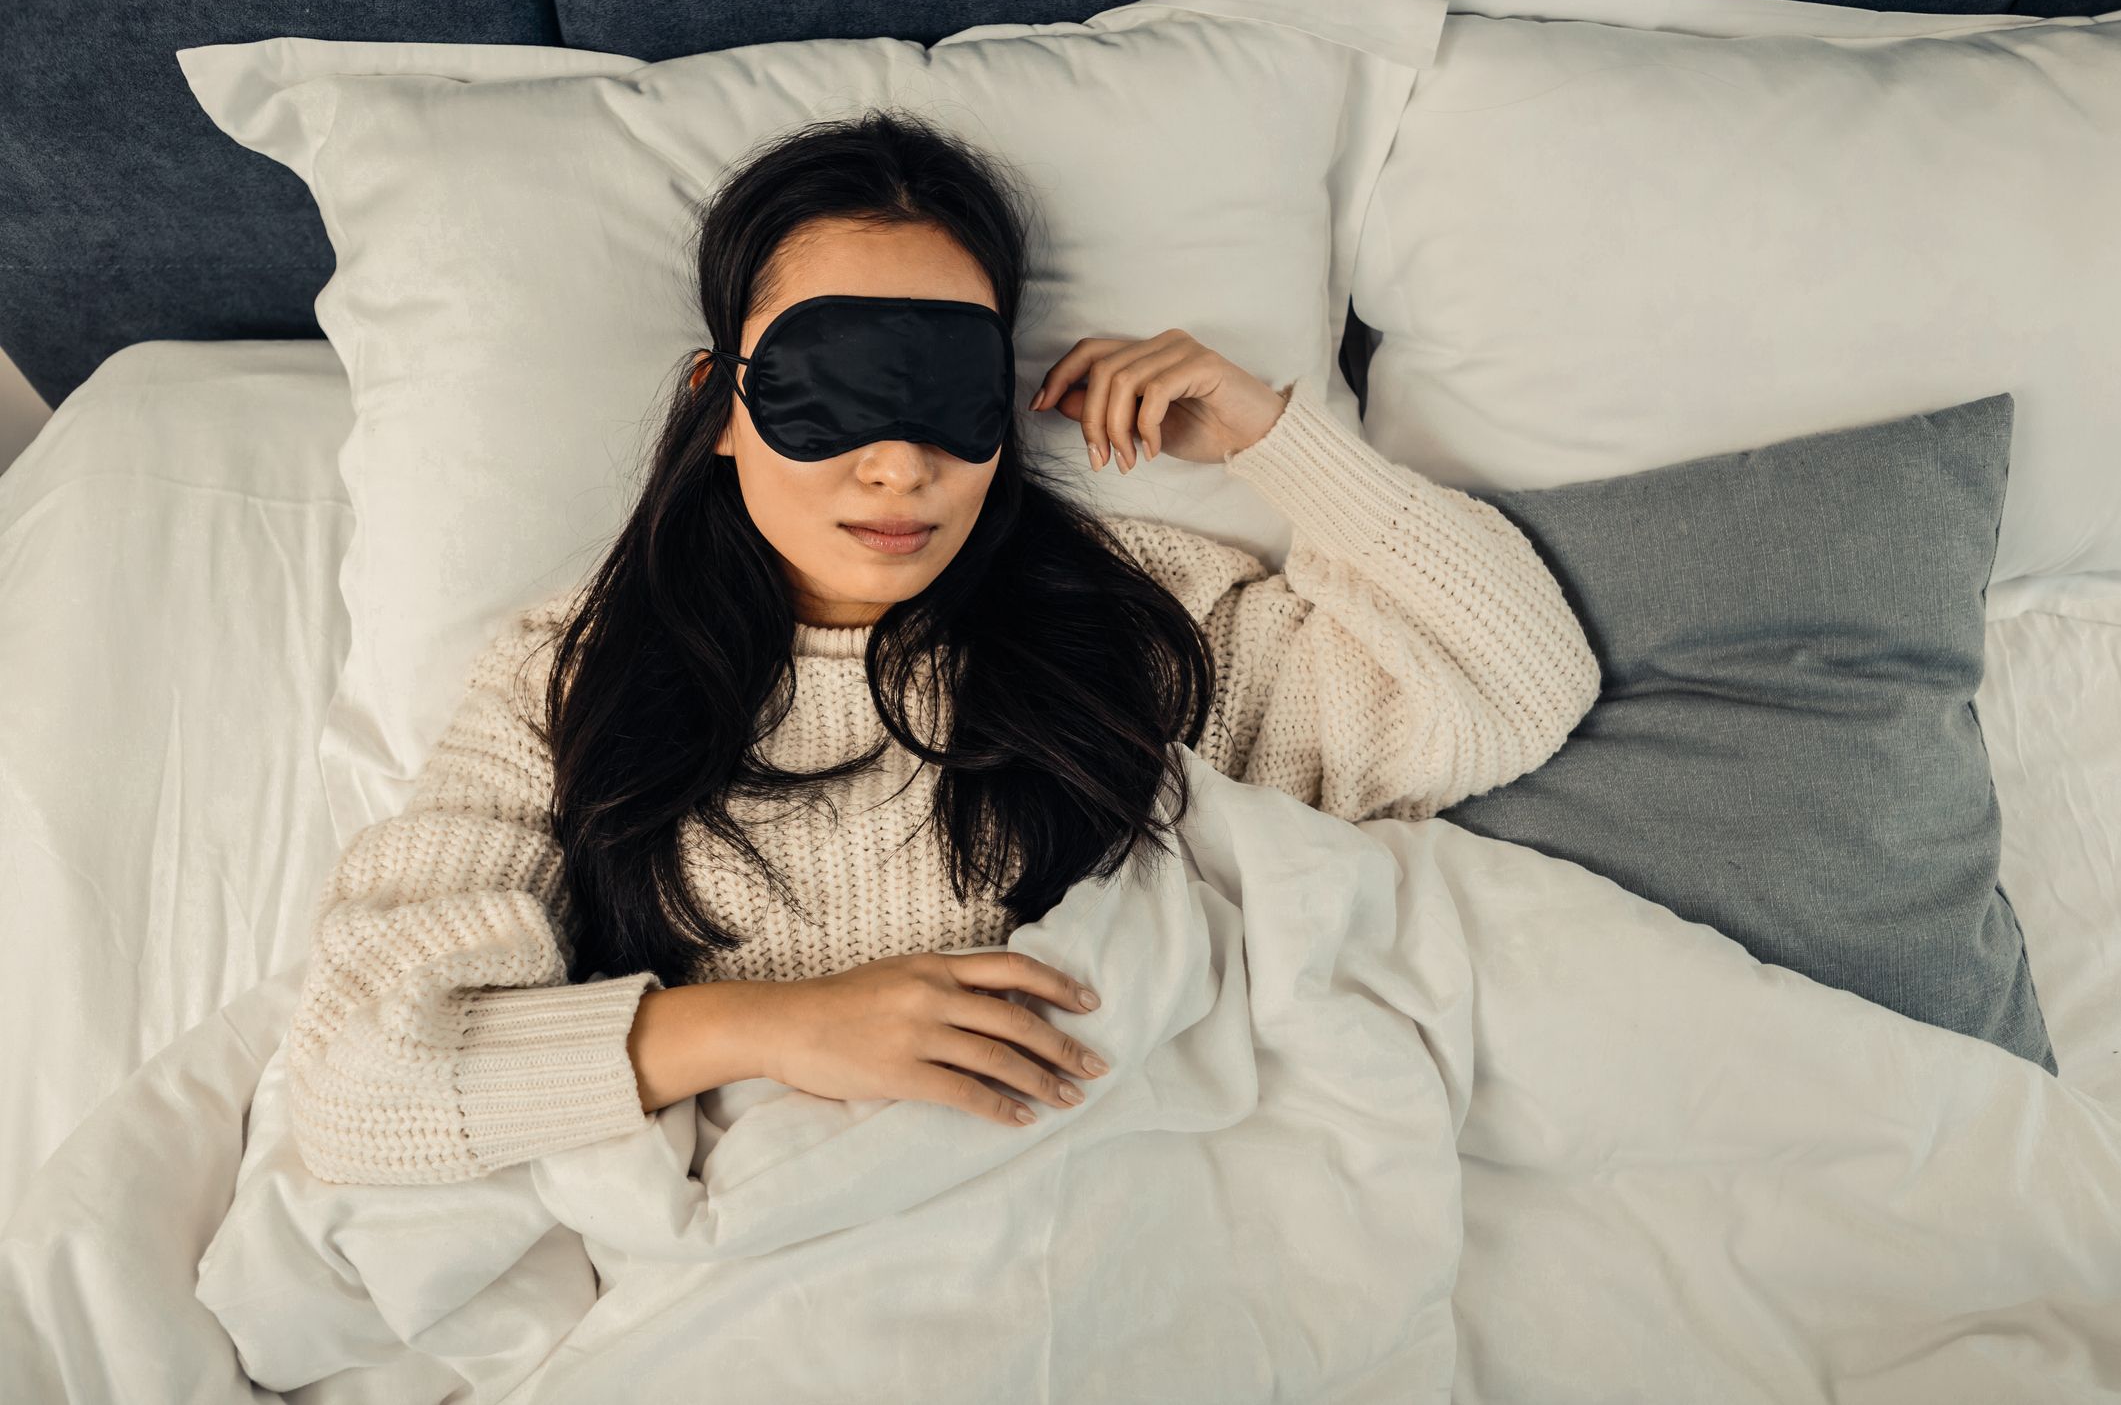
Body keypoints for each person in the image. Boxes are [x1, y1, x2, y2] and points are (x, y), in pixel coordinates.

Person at [287, 107, 1601, 1186]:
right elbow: (356, 1081)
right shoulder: (566, 676)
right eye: (831, 384)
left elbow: (1511, 688)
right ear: (722, 408)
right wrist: (784, 1028)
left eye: (940, 393)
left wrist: (1272, 438)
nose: (899, 461)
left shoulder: (1131, 618)